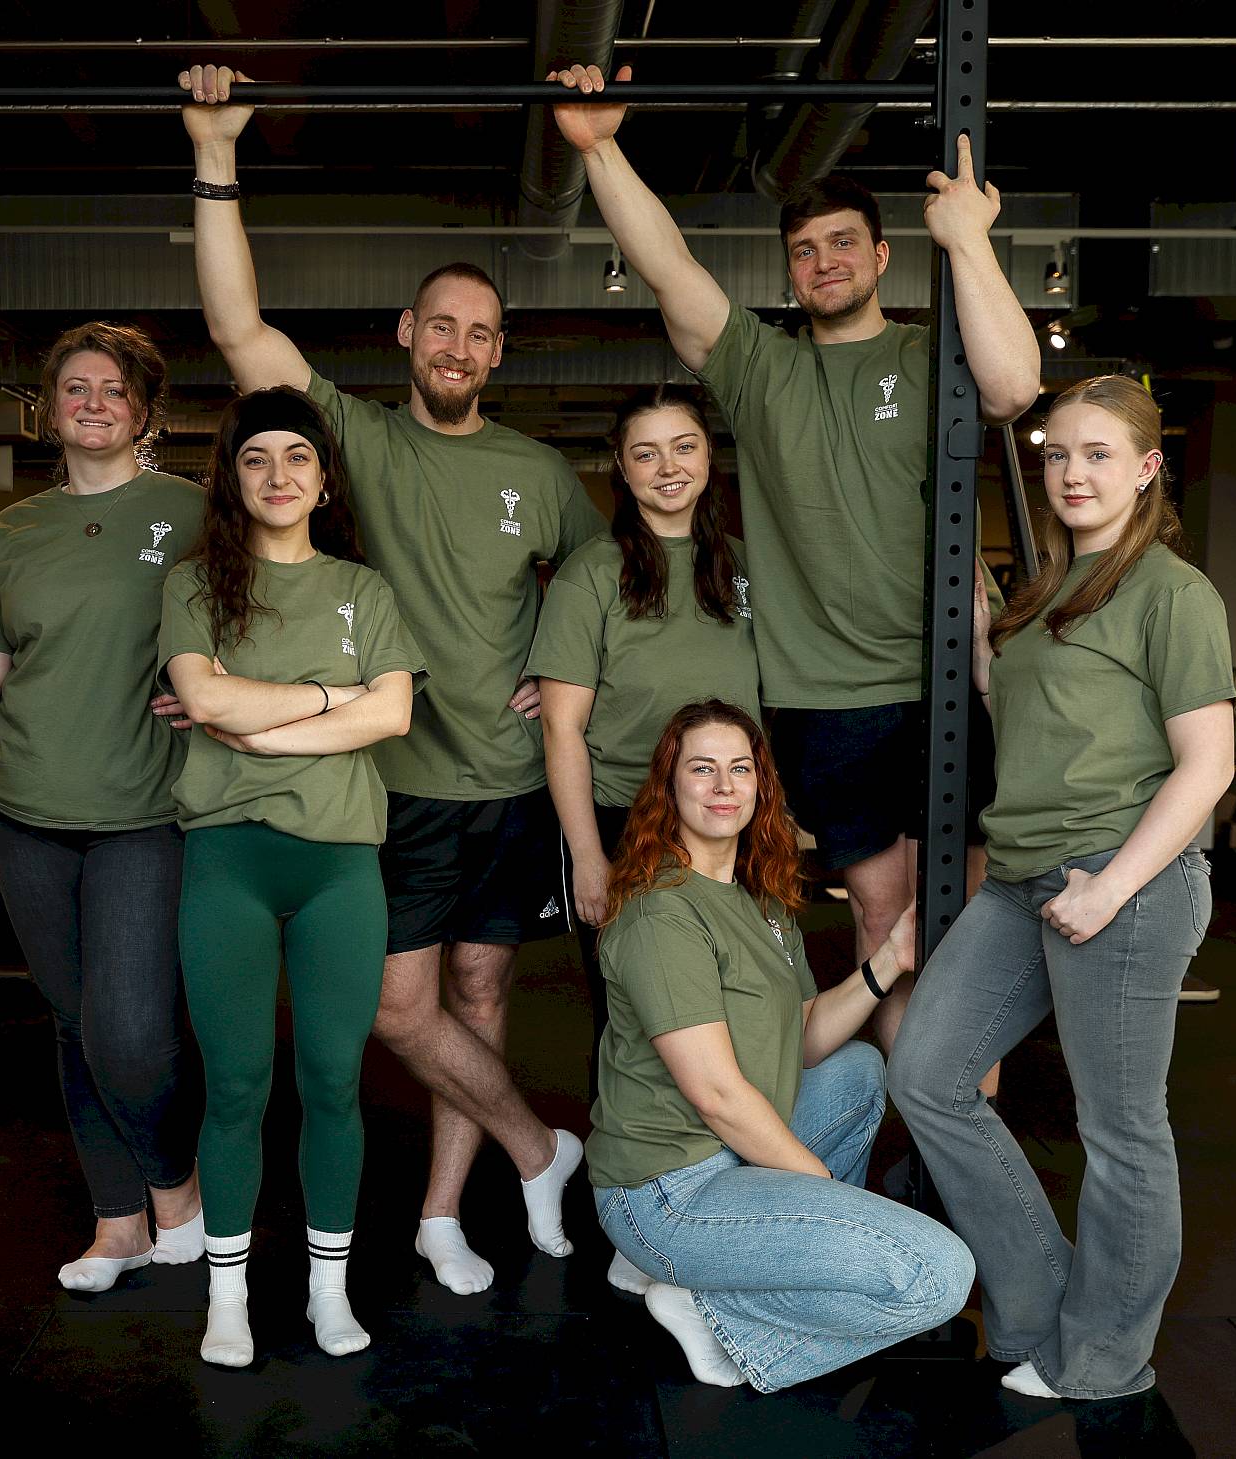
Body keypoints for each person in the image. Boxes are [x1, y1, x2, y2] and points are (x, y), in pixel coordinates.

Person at [179, 64, 606, 1296]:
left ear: (500, 352)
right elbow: (240, 333)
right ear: (408, 336)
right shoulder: (355, 440)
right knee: (397, 1006)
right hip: (396, 777)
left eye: (482, 331)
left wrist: (558, 672)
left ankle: (440, 1215)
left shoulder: (539, 471)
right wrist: (217, 155)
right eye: (442, 326)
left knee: (481, 989)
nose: (460, 346)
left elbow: (606, 585)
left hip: (509, 782)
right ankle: (539, 1147)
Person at [549, 66, 1041, 1055]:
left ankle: (950, 1118)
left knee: (961, 924)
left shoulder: (929, 356)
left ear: (882, 255)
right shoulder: (761, 368)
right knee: (885, 921)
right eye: (805, 251)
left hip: (946, 681)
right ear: (789, 273)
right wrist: (600, 150)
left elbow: (1015, 387)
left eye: (843, 243)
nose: (824, 263)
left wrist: (969, 241)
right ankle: (909, 1117)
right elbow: (669, 267)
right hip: (827, 702)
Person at [888, 376, 1236, 1401]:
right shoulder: (1045, 592)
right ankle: (1040, 1305)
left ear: (1146, 468)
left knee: (1121, 1131)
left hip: (1123, 882)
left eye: (1097, 453)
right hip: (1020, 878)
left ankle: (1105, 1357)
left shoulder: (1172, 592)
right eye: (1056, 454)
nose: (1072, 472)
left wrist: (1112, 888)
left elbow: (1208, 763)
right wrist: (985, 643)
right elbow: (1032, 717)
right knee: (927, 1074)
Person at [0, 321, 206, 1293]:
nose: (93, 403)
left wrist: (227, 690)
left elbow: (257, 615)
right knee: (73, 1021)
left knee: (132, 1030)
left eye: (113, 389)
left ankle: (176, 1187)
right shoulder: (11, 532)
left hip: (144, 808)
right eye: (75, 388)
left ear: (144, 411)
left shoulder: (192, 511)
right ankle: (118, 1222)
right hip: (26, 808)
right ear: (50, 408)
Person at [588, 699, 974, 1391]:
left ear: (761, 785)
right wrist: (817, 1187)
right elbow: (717, 1094)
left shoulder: (757, 897)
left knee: (858, 1069)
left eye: (740, 768)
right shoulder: (661, 912)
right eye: (702, 769)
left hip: (727, 1154)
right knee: (939, 1277)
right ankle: (718, 1309)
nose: (723, 786)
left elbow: (804, 1038)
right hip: (667, 1191)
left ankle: (742, 1281)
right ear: (668, 785)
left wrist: (891, 956)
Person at [160, 386, 424, 1367]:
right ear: (233, 479)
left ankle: (327, 1290)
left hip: (339, 865)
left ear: (324, 479)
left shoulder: (364, 590)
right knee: (235, 1083)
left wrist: (261, 725)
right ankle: (227, 1298)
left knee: (333, 1080)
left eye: (297, 457)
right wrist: (328, 695)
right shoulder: (195, 585)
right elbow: (202, 697)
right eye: (256, 458)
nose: (278, 475)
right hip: (227, 856)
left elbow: (392, 714)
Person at [525, 383, 759, 1092]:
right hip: (628, 821)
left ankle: (734, 1157)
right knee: (632, 1021)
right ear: (621, 470)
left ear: (708, 456)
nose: (668, 467)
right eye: (646, 453)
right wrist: (588, 858)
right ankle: (628, 1161)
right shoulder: (592, 574)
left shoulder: (746, 567)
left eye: (684, 447)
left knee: (742, 1010)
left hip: (731, 819)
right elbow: (562, 727)